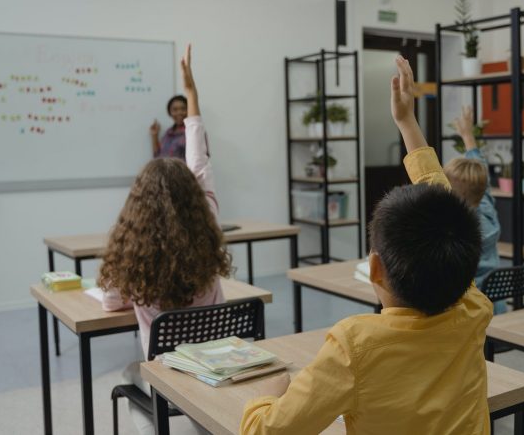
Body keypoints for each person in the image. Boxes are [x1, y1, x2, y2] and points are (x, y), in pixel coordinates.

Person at [239, 56, 492, 435]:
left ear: (375, 269)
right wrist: (407, 122)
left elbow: (266, 432)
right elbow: (442, 203)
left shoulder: (354, 346)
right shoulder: (471, 308)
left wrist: (265, 396)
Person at [98, 44, 229, 435]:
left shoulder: (132, 253)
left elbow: (109, 302)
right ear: (194, 194)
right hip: (218, 361)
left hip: (169, 371)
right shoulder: (208, 219)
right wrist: (192, 93)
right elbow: (199, 159)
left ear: (138, 203)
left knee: (128, 372)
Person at [447, 104, 507, 314]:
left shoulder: (455, 230)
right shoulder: (486, 209)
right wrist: (467, 135)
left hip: (470, 316)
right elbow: (483, 177)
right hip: (497, 308)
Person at [150, 94, 189, 159]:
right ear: (169, 112)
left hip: (184, 169)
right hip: (164, 169)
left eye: (183, 109)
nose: (179, 112)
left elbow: (201, 159)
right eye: (175, 110)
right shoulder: (168, 133)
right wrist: (154, 135)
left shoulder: (194, 132)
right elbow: (157, 156)